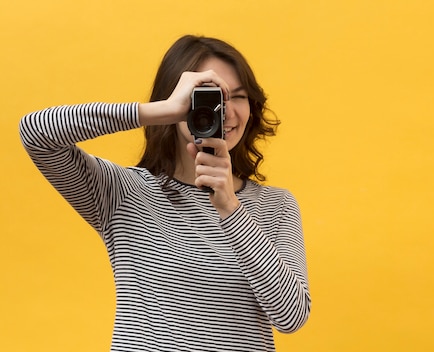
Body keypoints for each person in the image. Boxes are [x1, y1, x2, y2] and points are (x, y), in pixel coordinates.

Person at [19, 35, 311, 352]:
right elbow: (36, 133)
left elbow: (291, 317)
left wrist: (230, 208)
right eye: (210, 96)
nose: (225, 111)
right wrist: (160, 110)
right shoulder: (123, 192)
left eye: (238, 97)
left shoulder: (276, 205)